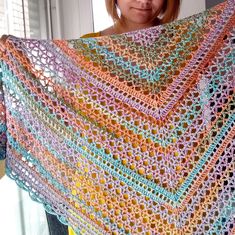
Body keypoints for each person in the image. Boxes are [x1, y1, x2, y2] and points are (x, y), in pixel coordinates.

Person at [0, 1, 181, 234]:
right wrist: (20, 66)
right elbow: (60, 111)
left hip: (167, 188)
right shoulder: (87, 48)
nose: (143, 1)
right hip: (101, 191)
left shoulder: (188, 44)